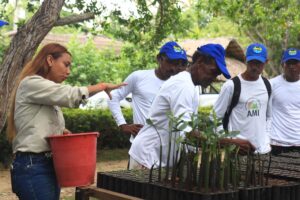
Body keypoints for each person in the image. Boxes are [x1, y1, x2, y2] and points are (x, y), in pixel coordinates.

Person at [7, 43, 126, 200]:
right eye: (66, 64)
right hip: (33, 164)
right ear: (50, 60)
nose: (68, 71)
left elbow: (36, 122)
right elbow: (69, 94)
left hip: (44, 163)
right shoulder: (31, 83)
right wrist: (102, 86)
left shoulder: (45, 92)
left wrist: (60, 131)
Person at [128, 43, 231, 169]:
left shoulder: (191, 86)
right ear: (199, 62)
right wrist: (228, 143)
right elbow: (186, 131)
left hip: (158, 159)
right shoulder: (183, 85)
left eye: (217, 74)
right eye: (213, 71)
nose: (213, 78)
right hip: (148, 158)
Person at [108, 41, 188, 143]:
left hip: (169, 148)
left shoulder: (180, 84)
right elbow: (113, 97)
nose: (174, 68)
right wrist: (123, 125)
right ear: (159, 59)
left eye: (179, 64)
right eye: (171, 62)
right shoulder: (138, 77)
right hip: (141, 146)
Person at [213, 43, 271, 154]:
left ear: (266, 62)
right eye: (252, 62)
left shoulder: (267, 85)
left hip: (263, 151)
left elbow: (269, 116)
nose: (255, 66)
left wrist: (267, 140)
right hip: (238, 152)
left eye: (259, 63)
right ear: (245, 60)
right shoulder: (231, 85)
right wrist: (230, 142)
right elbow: (215, 117)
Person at [269, 48, 300, 154]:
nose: (292, 67)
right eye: (288, 63)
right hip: (277, 142)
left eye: (295, 63)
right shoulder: (271, 84)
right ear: (283, 65)